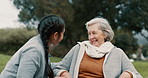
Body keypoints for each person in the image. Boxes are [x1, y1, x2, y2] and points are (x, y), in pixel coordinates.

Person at [53, 17, 143, 78]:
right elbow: (58, 68)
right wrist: (64, 73)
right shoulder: (79, 48)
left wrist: (127, 74)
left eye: (94, 33)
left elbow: (136, 75)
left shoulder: (117, 53)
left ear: (105, 34)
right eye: (89, 34)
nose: (91, 37)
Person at [0, 14, 65, 78]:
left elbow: (47, 66)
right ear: (55, 35)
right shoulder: (34, 51)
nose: (63, 37)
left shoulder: (41, 44)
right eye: (63, 33)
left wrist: (62, 72)